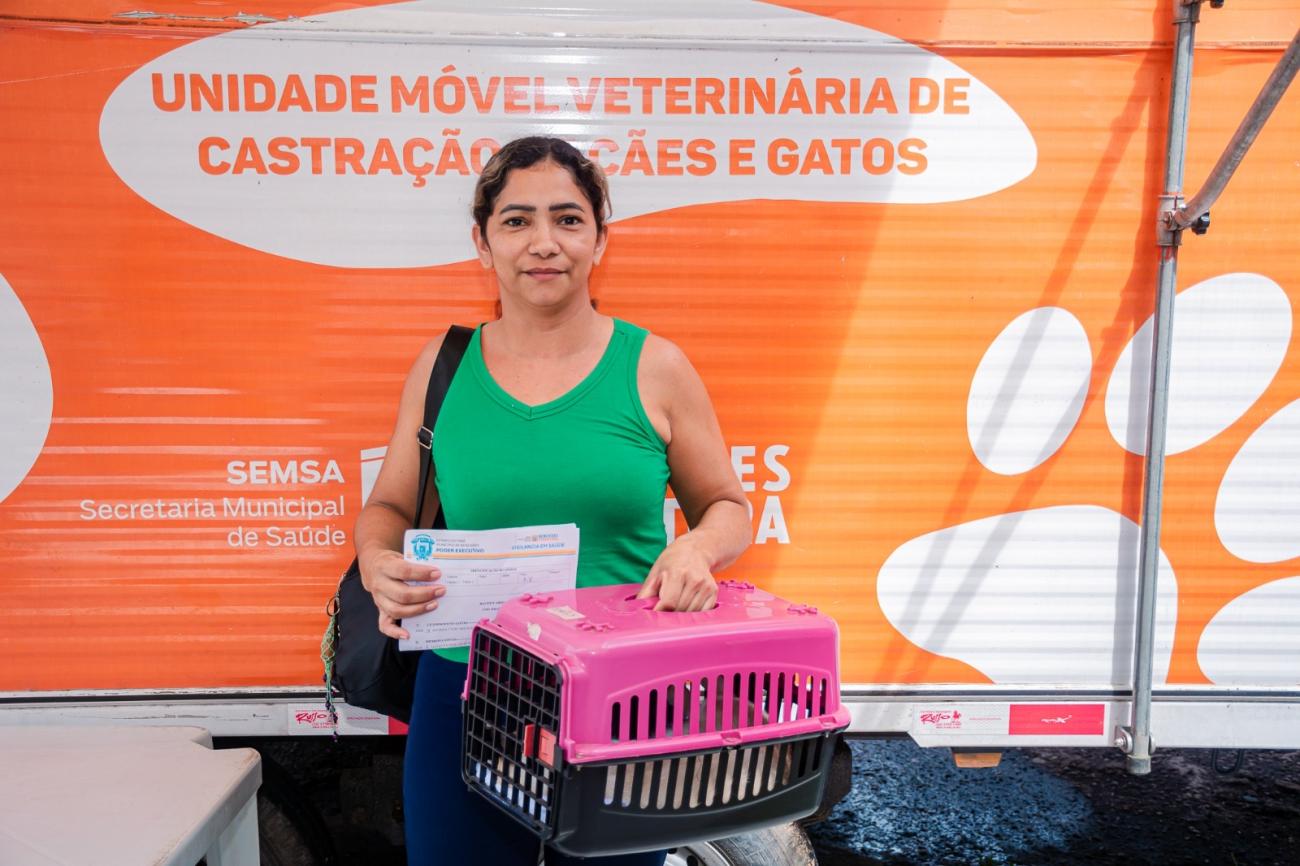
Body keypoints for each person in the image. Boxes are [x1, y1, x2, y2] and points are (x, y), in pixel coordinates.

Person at [354, 136, 751, 865]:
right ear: (482, 242)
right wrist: (379, 560)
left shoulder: (656, 367)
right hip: (465, 688)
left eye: (568, 219)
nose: (544, 243)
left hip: (623, 695)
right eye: (517, 220)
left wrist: (697, 548)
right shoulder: (443, 367)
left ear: (600, 238)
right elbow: (389, 508)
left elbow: (727, 504)